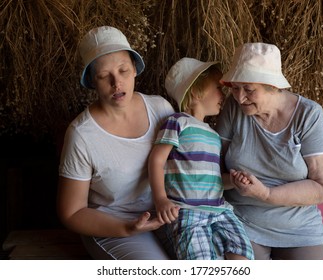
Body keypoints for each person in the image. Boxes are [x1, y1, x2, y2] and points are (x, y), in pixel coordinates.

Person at [56, 26, 175, 259]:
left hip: (166, 214)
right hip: (114, 226)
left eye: (123, 71)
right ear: (91, 80)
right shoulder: (82, 135)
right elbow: (72, 212)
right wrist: (127, 228)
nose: (116, 83)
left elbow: (182, 167)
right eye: (103, 76)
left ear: (135, 70)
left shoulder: (160, 109)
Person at [215, 42, 323, 260]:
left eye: (249, 89)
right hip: (242, 221)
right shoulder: (234, 108)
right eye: (235, 87)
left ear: (273, 86)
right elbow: (214, 167)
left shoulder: (308, 115)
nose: (239, 97)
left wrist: (266, 194)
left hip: (299, 228)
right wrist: (233, 181)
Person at [148, 57, 254, 260]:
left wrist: (232, 180)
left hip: (220, 210)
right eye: (217, 87)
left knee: (242, 253)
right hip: (188, 212)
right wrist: (160, 199)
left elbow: (212, 177)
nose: (223, 95)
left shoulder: (213, 134)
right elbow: (156, 160)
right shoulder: (177, 122)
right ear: (196, 92)